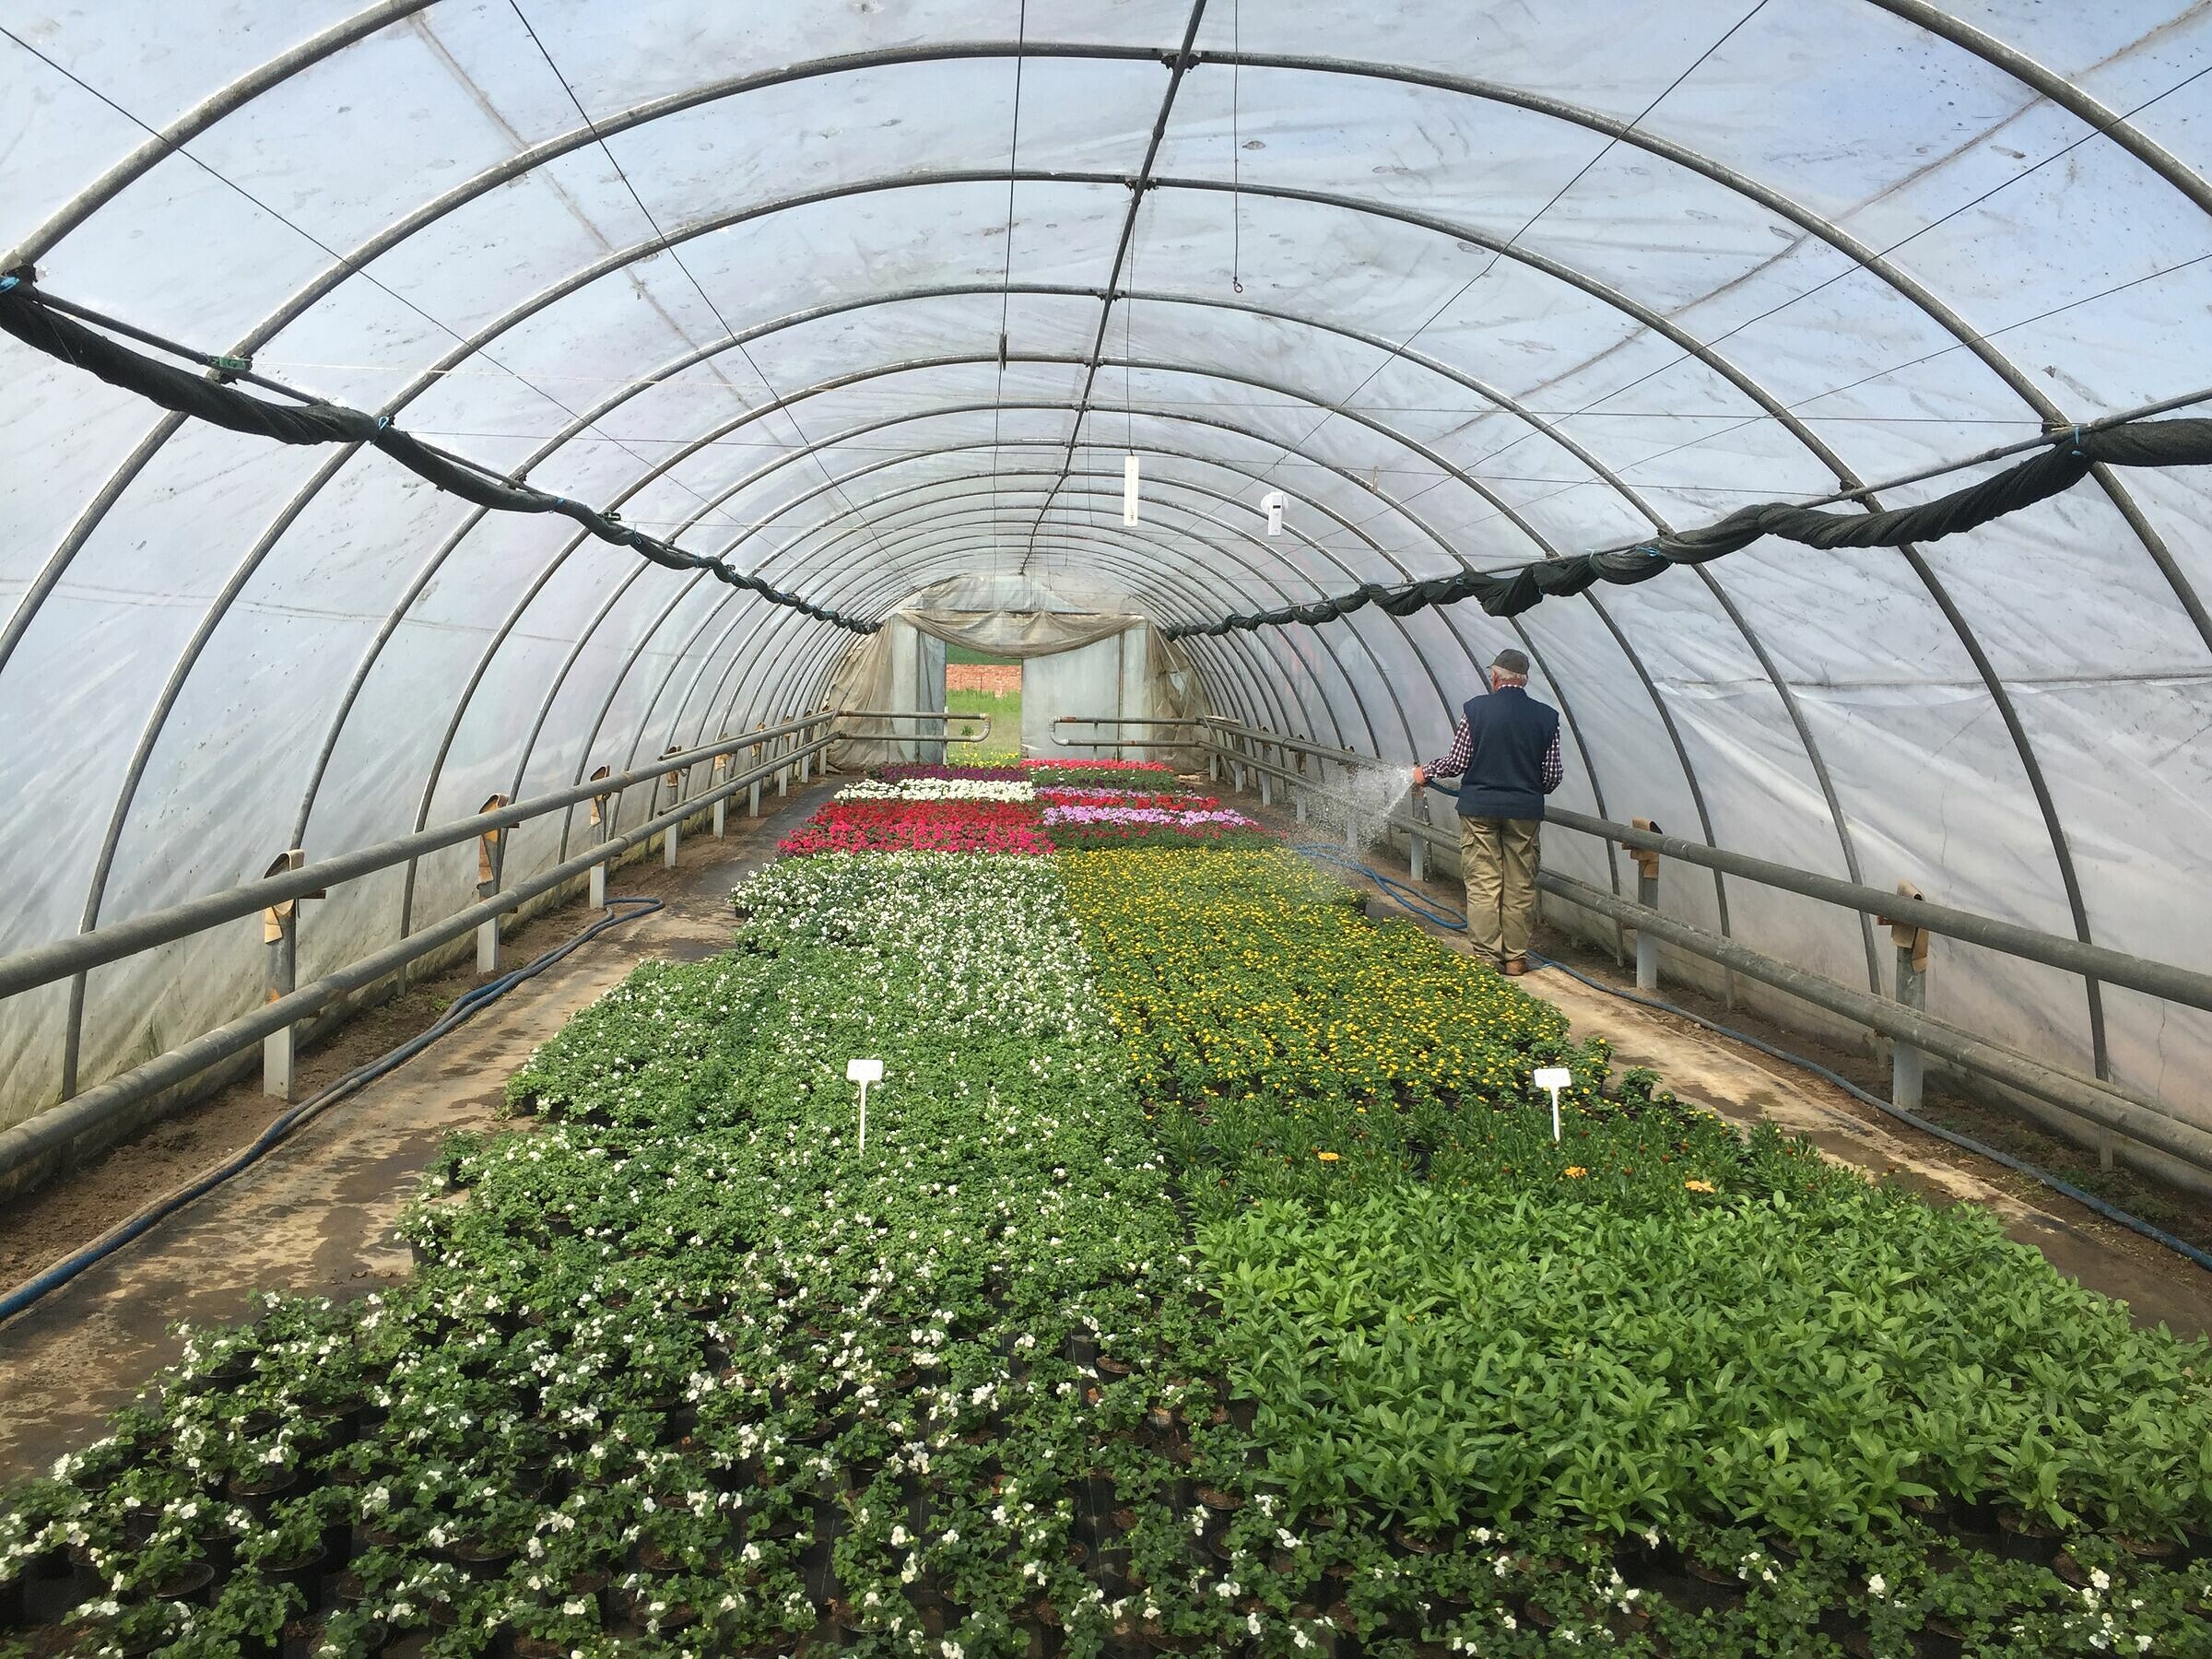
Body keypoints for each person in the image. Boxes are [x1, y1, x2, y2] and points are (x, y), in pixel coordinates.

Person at [1411, 648, 1563, 976]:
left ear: (1495, 677)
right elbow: (1552, 775)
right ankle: (1516, 959)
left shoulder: (1476, 709)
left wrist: (1426, 771)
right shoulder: (1547, 717)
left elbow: (1458, 761)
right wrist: (1526, 788)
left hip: (1479, 808)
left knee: (1484, 881)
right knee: (1520, 883)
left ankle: (1486, 956)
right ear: (1525, 680)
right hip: (1524, 812)